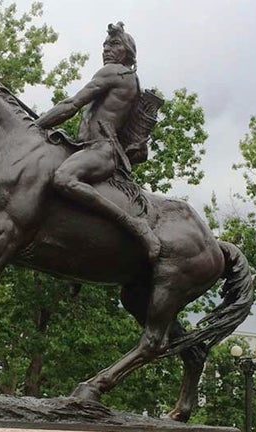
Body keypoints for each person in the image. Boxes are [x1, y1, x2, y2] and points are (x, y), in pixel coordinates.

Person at [36, 22, 160, 263]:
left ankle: (135, 225)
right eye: (105, 44)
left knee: (63, 178)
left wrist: (36, 125)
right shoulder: (129, 79)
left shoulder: (114, 72)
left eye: (114, 44)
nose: (106, 49)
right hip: (88, 147)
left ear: (128, 52)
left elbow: (72, 105)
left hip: (101, 150)